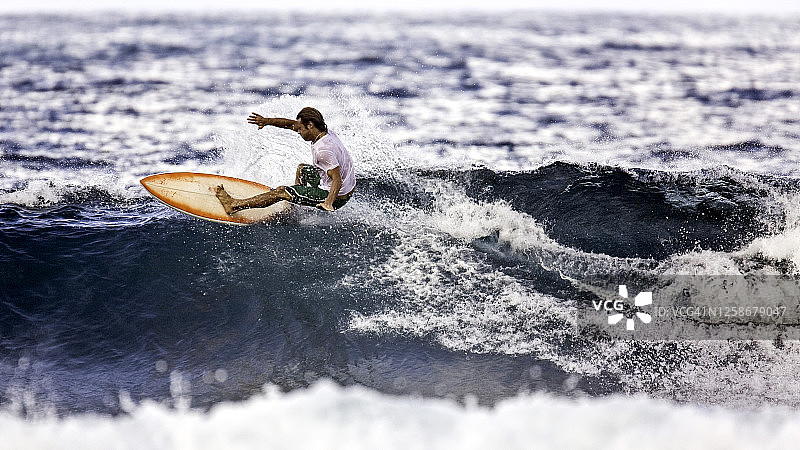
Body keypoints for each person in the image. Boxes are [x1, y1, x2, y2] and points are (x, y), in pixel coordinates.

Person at [215, 107, 355, 214]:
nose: (298, 131)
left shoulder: (323, 150)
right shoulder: (325, 131)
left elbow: (337, 179)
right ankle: (294, 207)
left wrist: (329, 203)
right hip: (346, 187)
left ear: (310, 125)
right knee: (302, 169)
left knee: (281, 191)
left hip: (336, 196)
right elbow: (290, 124)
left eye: (300, 129)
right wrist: (267, 121)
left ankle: (233, 205)